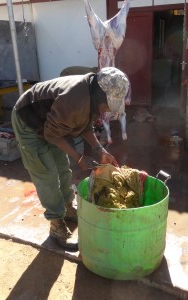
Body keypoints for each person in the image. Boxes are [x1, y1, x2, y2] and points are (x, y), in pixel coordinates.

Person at [11, 67, 130, 250]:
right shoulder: (74, 100)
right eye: (108, 104)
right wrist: (79, 157)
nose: (107, 109)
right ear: (101, 94)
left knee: (62, 168)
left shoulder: (91, 93)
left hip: (51, 122)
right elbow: (51, 135)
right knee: (47, 175)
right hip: (28, 121)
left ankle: (67, 207)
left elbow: (84, 126)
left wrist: (100, 150)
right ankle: (56, 224)